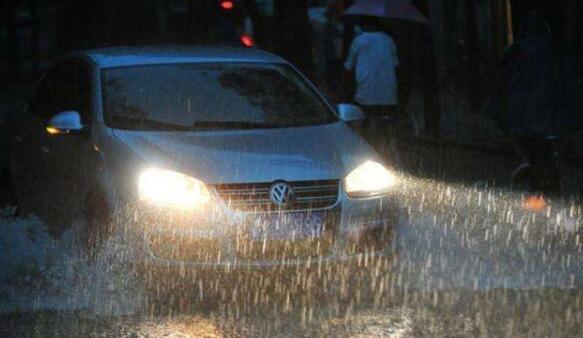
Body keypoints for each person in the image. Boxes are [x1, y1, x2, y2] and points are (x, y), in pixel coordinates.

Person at [489, 11, 583, 196]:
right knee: (547, 146)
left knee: (526, 140)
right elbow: (569, 80)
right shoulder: (555, 51)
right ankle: (550, 180)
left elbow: (501, 80)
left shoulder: (517, 51)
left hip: (525, 110)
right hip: (548, 111)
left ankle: (530, 166)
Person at [343, 17, 405, 155]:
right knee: (387, 127)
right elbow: (396, 64)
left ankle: (367, 151)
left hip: (365, 93)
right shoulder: (389, 40)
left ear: (365, 24)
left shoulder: (359, 40)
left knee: (365, 125)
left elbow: (348, 67)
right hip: (388, 95)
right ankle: (391, 152)